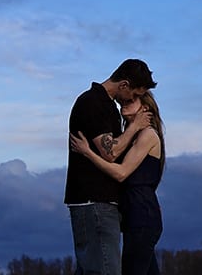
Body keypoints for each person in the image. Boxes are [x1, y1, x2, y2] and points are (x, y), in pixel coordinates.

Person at [65, 59, 157, 275]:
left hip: (99, 204)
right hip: (95, 202)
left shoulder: (106, 106)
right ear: (124, 85)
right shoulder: (94, 103)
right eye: (134, 94)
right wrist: (134, 127)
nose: (133, 99)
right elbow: (111, 152)